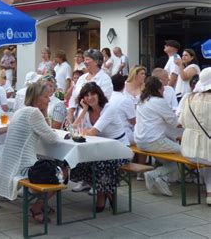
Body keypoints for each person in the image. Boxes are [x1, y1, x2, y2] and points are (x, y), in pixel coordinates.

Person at [0, 82, 60, 223]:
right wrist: (45, 113)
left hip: (9, 165)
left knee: (48, 165)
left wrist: (44, 113)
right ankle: (37, 208)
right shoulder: (34, 113)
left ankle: (41, 203)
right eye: (46, 97)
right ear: (37, 98)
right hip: (23, 167)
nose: (49, 100)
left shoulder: (21, 111)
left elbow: (46, 132)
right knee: (62, 173)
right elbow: (52, 138)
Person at [71, 82, 129, 211]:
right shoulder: (86, 110)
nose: (89, 98)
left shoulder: (109, 108)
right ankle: (107, 193)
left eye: (93, 94)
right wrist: (84, 110)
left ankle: (101, 197)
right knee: (82, 162)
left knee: (101, 163)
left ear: (99, 95)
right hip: (100, 148)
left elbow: (92, 132)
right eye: (86, 95)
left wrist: (84, 131)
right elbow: (73, 129)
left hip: (119, 148)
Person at [135, 76, 179, 197]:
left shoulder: (142, 100)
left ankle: (162, 180)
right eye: (162, 86)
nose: (164, 88)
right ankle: (154, 174)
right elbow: (174, 122)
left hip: (140, 141)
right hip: (153, 142)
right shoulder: (159, 101)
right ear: (158, 89)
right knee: (183, 152)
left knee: (171, 162)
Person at [179, 67, 211, 205]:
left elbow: (181, 122)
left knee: (206, 157)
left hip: (189, 149)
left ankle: (209, 191)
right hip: (205, 150)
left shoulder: (189, 98)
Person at [67, 49, 113, 125]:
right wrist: (70, 114)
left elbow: (103, 101)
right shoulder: (82, 78)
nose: (84, 62)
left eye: (87, 59)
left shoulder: (105, 79)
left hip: (95, 120)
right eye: (84, 59)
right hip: (78, 119)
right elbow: (73, 97)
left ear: (96, 61)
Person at [110, 74, 136, 144]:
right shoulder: (125, 100)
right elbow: (133, 121)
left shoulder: (107, 98)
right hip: (124, 134)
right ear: (124, 85)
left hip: (110, 133)